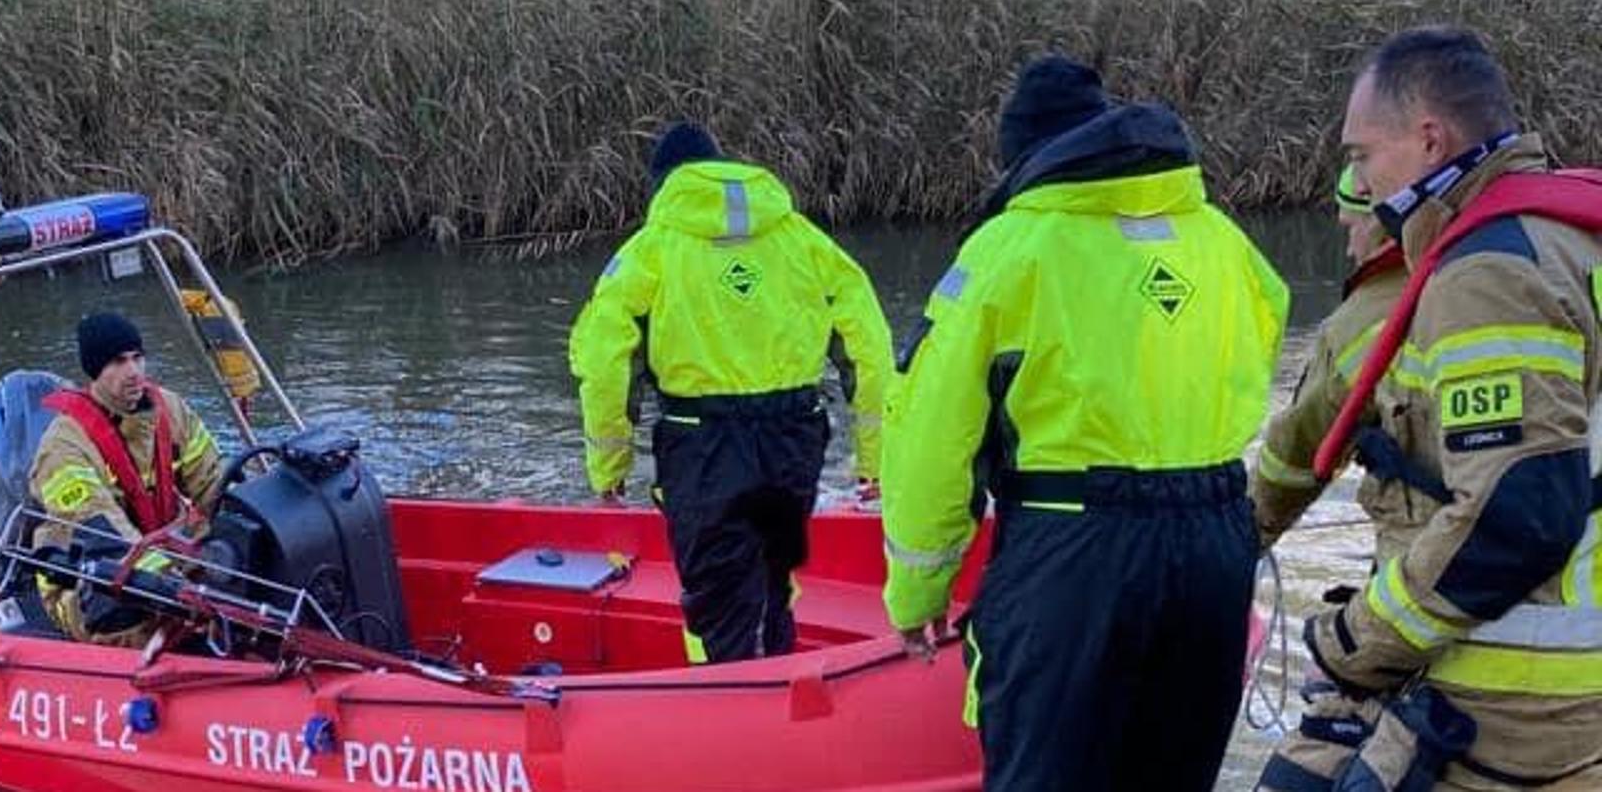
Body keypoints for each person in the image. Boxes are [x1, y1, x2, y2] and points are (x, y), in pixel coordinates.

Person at [880, 56, 1288, 790]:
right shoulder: (1225, 241)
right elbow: (1270, 338)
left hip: (1073, 546)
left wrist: (918, 591)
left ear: (1023, 158)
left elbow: (931, 435)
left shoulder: (1010, 251)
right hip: (1217, 543)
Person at [1290, 26, 1602, 789]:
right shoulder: (1571, 235)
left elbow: (1515, 512)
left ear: (1429, 140)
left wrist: (1358, 638)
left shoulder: (1490, 271)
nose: (1357, 185)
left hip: (1518, 709)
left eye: (1363, 155)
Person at [569, 122, 893, 664]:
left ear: (664, 185)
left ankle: (727, 716)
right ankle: (781, 693)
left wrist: (609, 470)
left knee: (716, 603)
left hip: (703, 444)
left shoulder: (651, 250)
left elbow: (606, 363)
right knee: (775, 581)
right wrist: (874, 464)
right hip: (794, 435)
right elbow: (871, 350)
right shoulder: (805, 240)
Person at [29, 312, 224, 647]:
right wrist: (185, 595)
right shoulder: (63, 448)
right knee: (125, 613)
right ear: (95, 370)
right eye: (118, 362)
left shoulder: (170, 410)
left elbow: (214, 483)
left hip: (166, 561)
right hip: (89, 579)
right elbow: (102, 533)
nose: (134, 372)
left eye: (138, 358)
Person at [1251, 165, 1413, 554]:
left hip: (1435, 565)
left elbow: (1299, 449)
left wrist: (1246, 535)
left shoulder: (1365, 318)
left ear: (1380, 220)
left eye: (1350, 227)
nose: (1349, 250)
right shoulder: (1517, 255)